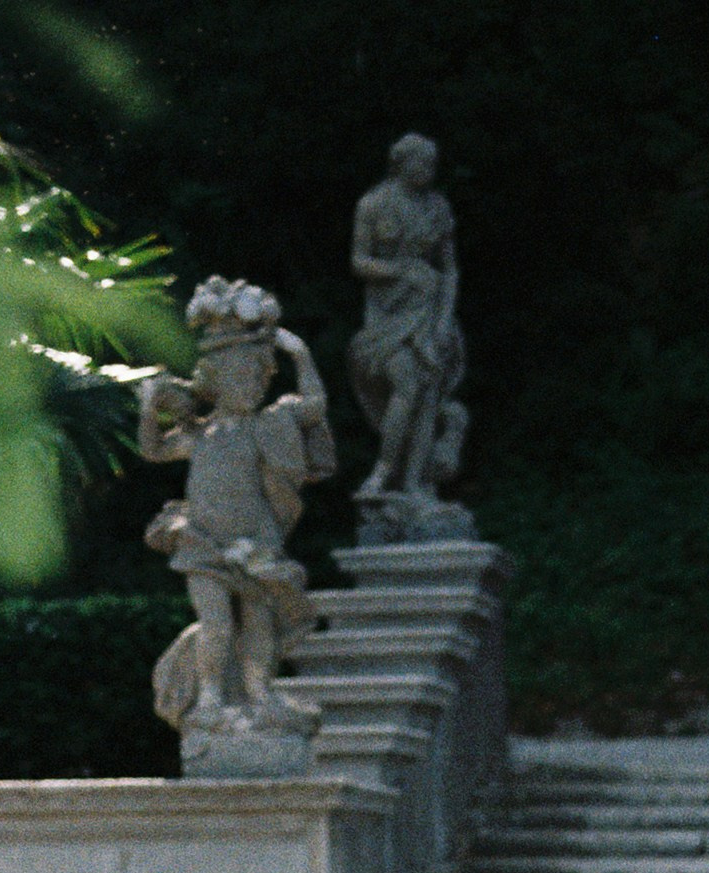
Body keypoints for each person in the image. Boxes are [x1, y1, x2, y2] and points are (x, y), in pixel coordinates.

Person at [140, 279, 335, 754]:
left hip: (256, 544)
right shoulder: (200, 435)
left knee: (259, 623)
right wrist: (149, 408)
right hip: (203, 541)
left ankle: (259, 693)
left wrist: (302, 356)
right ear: (213, 382)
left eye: (258, 377)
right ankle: (207, 703)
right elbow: (153, 449)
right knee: (216, 625)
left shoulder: (268, 426)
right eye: (237, 379)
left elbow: (314, 408)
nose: (250, 386)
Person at [349, 133, 467, 510]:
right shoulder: (374, 204)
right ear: (401, 163)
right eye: (422, 163)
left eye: (433, 165)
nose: (428, 171)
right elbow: (360, 261)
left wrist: (445, 322)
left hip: (429, 314)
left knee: (427, 397)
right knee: (406, 386)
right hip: (388, 315)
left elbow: (449, 269)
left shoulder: (438, 207)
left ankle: (414, 483)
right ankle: (383, 469)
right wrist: (400, 271)